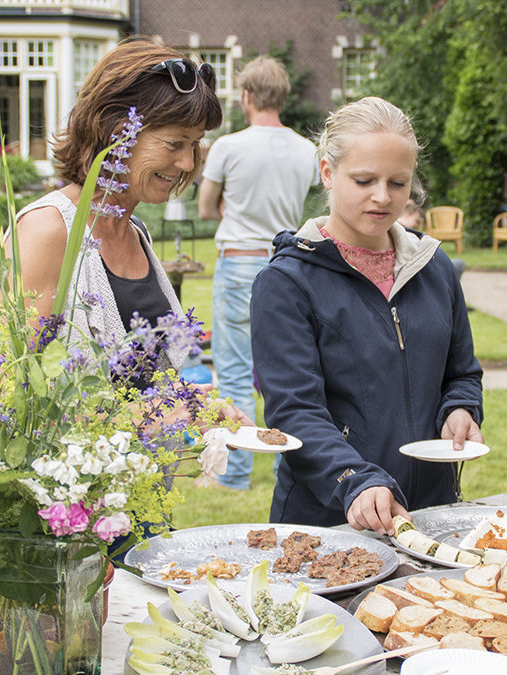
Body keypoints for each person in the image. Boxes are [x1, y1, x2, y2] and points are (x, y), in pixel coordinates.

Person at [0, 37, 250, 431]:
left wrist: (190, 404)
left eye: (195, 145)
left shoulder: (135, 231)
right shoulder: (46, 230)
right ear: (115, 131)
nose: (187, 162)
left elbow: (140, 386)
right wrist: (144, 417)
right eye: (175, 143)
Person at [250, 96, 484, 534]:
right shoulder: (286, 282)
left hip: (432, 515)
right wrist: (354, 479)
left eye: (398, 183)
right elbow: (294, 410)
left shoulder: (435, 267)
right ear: (327, 172)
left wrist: (461, 409)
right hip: (329, 522)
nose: (382, 197)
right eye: (364, 180)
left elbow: (462, 374)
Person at [198, 55, 320, 490]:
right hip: (287, 265)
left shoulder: (229, 147)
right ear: (283, 97)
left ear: (246, 95)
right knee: (286, 372)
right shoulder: (309, 151)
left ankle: (234, 475)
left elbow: (205, 207)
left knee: (232, 367)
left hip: (237, 259)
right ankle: (285, 467)